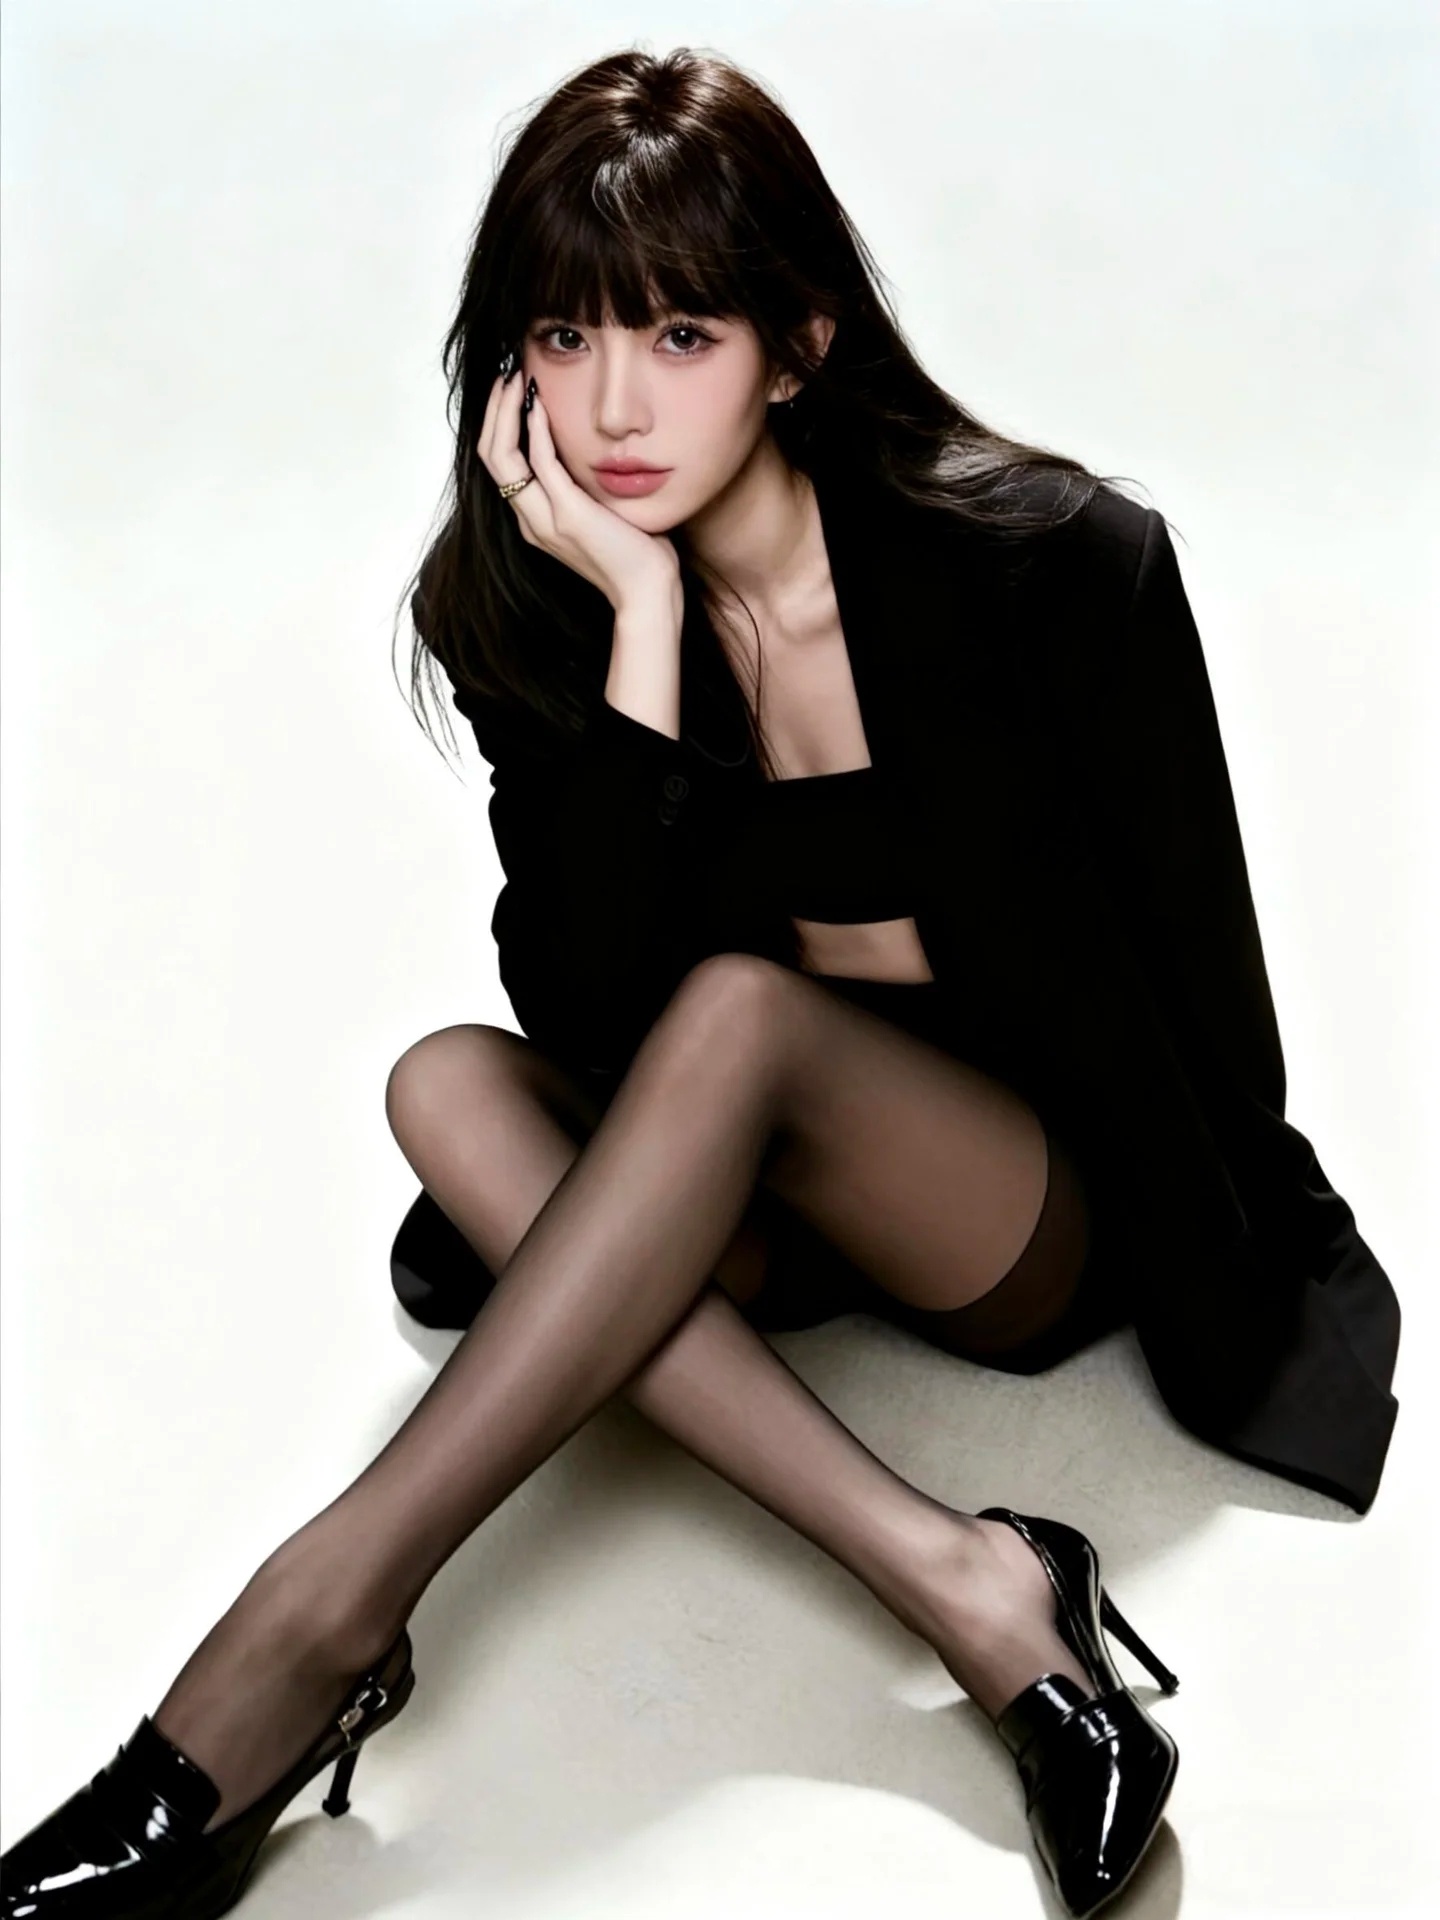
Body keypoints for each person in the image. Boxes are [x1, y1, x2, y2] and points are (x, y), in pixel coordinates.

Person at [1, 43, 1399, 1920]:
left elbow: (1209, 996)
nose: (612, 406)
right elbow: (591, 1021)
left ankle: (305, 1630)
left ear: (797, 345)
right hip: (740, 1191)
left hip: (1015, 1204)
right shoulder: (532, 608)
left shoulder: (1052, 567)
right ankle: (976, 1579)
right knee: (443, 1078)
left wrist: (1227, 1267)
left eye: (677, 335)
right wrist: (643, 632)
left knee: (738, 1008)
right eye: (563, 338)